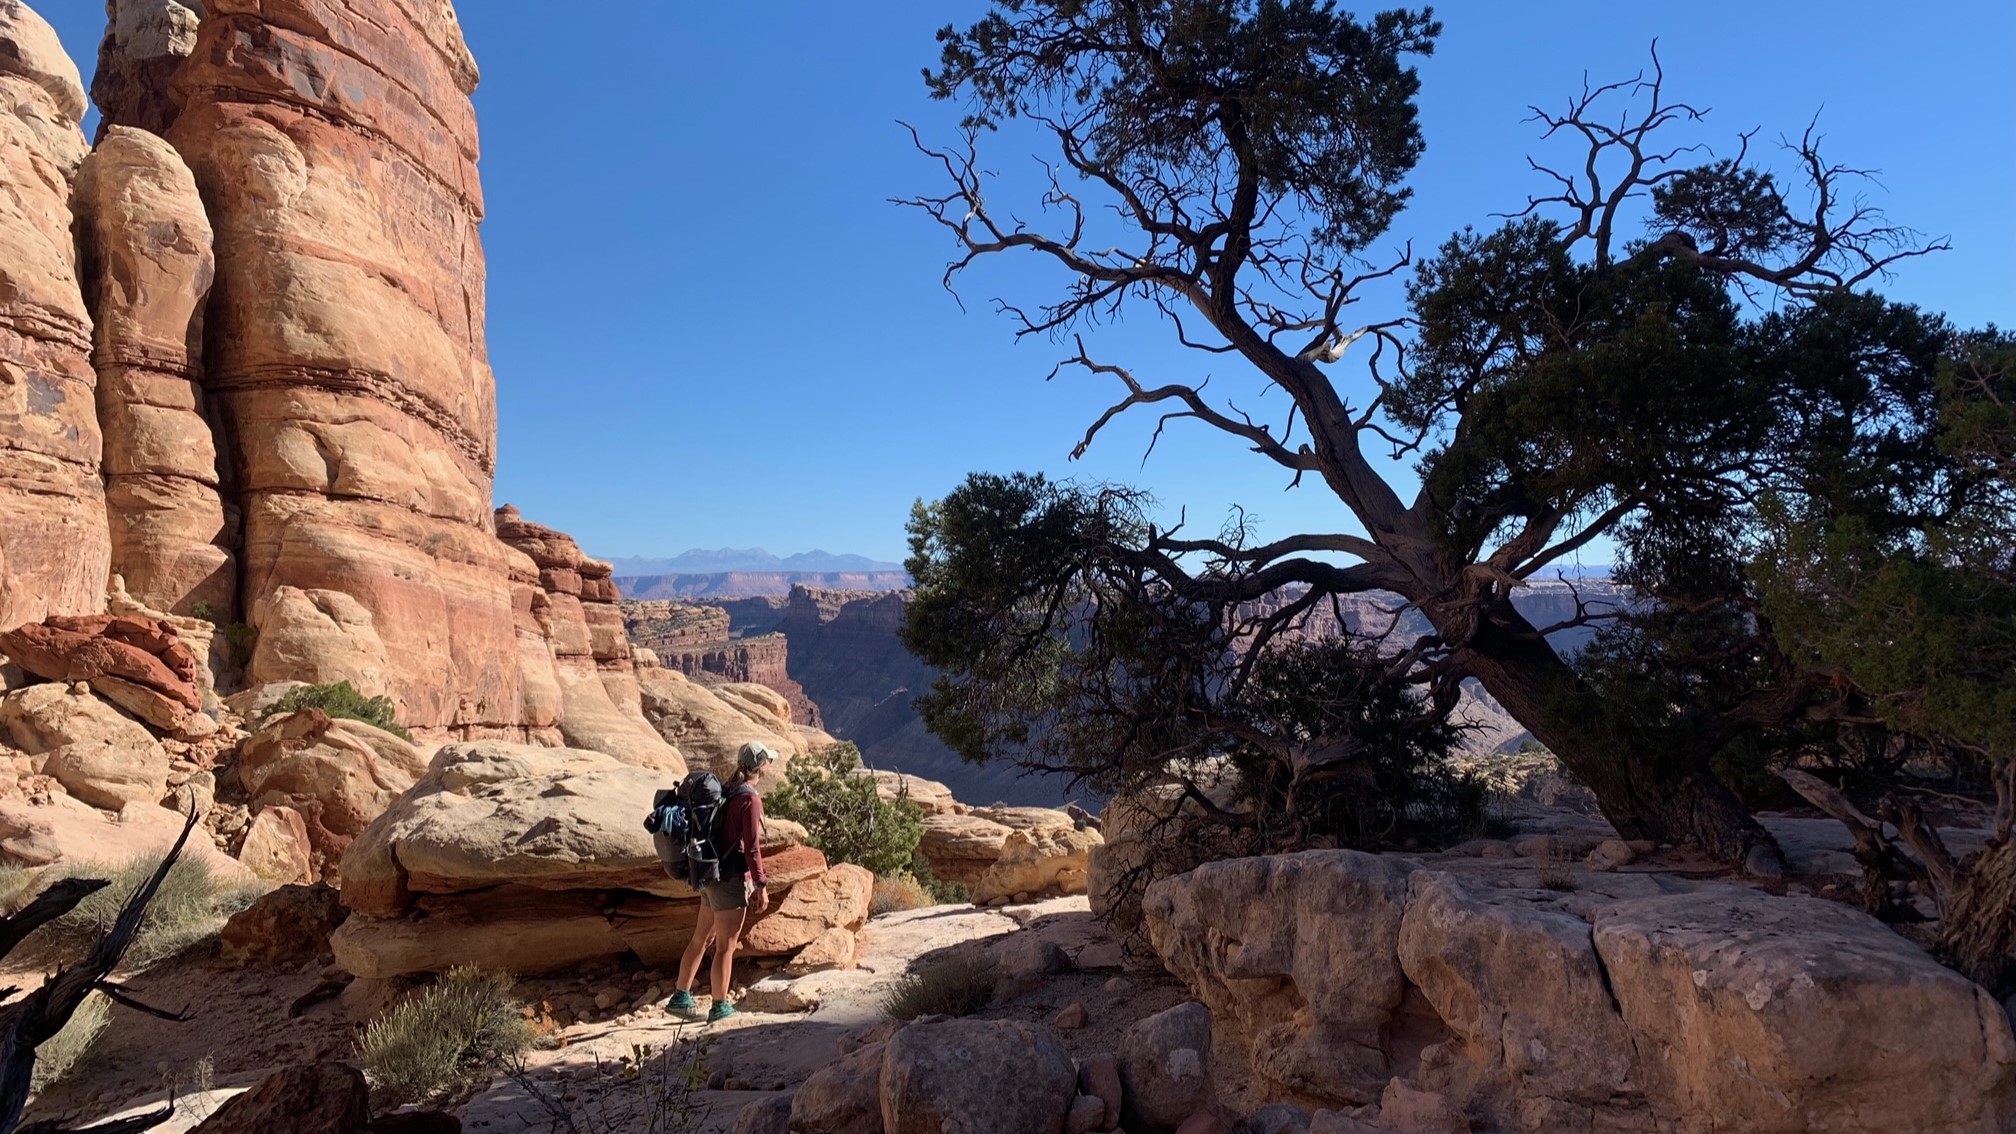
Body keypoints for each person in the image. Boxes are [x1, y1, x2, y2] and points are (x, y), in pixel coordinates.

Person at [667, 741, 775, 1022]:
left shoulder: (727, 791)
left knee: (701, 938)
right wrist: (761, 885)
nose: (770, 766)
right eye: (768, 762)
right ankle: (719, 1005)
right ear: (761, 766)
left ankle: (680, 997)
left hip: (709, 875)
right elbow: (752, 849)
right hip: (729, 880)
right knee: (726, 947)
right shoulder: (749, 800)